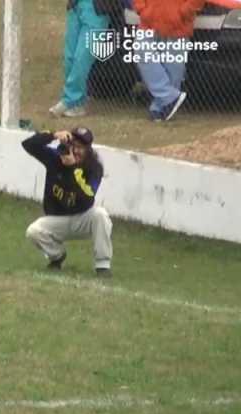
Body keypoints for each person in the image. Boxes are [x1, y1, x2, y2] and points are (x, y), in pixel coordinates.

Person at [22, 127, 114, 277]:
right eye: (73, 146)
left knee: (100, 215)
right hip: (57, 220)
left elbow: (87, 197)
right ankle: (57, 256)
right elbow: (28, 144)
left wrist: (72, 168)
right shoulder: (55, 158)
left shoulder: (94, 167)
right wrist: (53, 135)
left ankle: (102, 265)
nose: (76, 151)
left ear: (88, 150)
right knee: (33, 231)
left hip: (82, 218)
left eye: (80, 148)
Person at [132, 0, 205, 121]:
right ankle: (169, 97)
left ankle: (159, 109)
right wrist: (141, 9)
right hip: (148, 22)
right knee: (142, 52)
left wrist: (184, 13)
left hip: (178, 25)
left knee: (173, 67)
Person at [50, 0, 114, 118]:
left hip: (96, 11)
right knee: (69, 57)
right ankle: (77, 104)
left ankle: (69, 100)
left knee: (82, 58)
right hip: (77, 6)